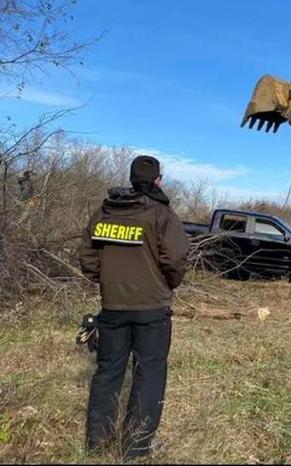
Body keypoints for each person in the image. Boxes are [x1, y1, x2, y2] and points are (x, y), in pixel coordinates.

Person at [79, 155, 189, 459]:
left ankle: (97, 443)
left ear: (130, 179)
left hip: (112, 307)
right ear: (158, 180)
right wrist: (169, 283)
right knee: (149, 373)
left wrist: (106, 280)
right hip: (152, 309)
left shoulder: (103, 212)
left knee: (108, 371)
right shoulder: (161, 214)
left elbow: (87, 255)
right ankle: (137, 446)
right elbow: (176, 259)